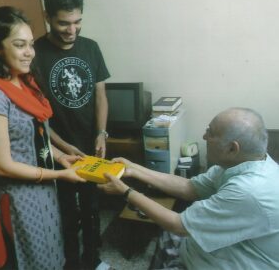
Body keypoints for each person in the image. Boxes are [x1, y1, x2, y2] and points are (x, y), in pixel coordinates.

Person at [98, 107, 279, 270]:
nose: (204, 137)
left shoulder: (248, 192)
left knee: (172, 231)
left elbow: (178, 225)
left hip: (232, 262)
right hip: (206, 251)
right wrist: (134, 169)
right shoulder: (240, 163)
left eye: (211, 132)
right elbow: (189, 187)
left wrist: (126, 191)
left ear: (232, 148)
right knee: (167, 236)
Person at [0, 6, 86, 270]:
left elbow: (34, 134)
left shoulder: (24, 82)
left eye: (30, 44)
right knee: (32, 260)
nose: (29, 52)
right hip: (19, 198)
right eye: (19, 45)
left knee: (52, 252)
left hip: (44, 189)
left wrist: (60, 156)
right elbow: (2, 164)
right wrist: (60, 175)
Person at [32, 0, 111, 270]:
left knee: (92, 209)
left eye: (78, 22)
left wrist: (101, 132)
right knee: (65, 211)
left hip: (91, 145)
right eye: (64, 23)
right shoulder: (34, 53)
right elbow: (36, 115)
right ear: (47, 16)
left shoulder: (91, 48)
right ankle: (72, 263)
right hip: (55, 151)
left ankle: (94, 260)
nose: (72, 30)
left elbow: (101, 95)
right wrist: (64, 146)